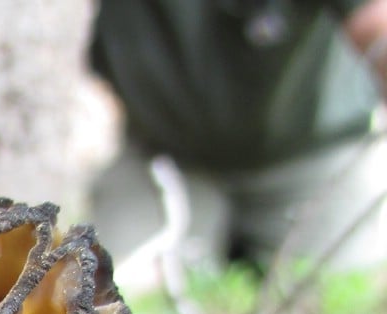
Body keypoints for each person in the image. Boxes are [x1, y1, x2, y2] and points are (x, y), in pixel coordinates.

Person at [89, 0, 387, 293]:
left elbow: (376, 23)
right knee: (111, 304)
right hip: (161, 159)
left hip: (314, 156)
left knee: (339, 308)